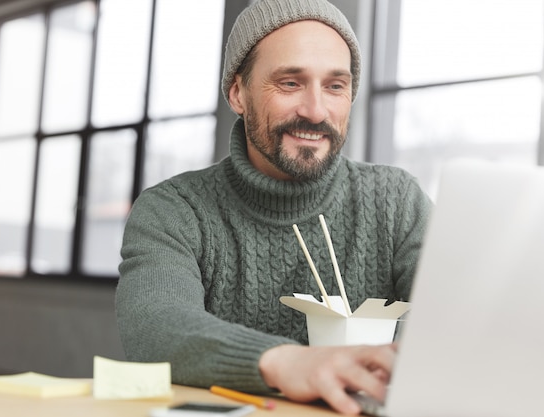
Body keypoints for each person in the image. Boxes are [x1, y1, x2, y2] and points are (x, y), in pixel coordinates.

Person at [116, 0, 432, 414]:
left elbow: (460, 322)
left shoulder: (398, 200)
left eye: (335, 86)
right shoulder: (174, 210)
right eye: (289, 83)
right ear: (238, 93)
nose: (316, 111)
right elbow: (153, 326)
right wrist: (290, 362)